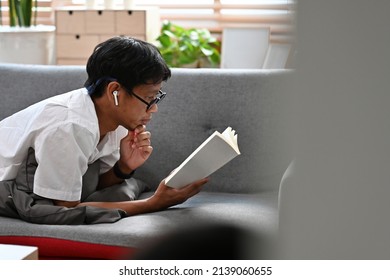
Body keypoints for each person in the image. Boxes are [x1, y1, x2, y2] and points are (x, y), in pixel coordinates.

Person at [0, 36, 208, 224]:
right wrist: (154, 203)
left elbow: (96, 184)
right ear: (115, 91)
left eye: (157, 97)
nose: (154, 108)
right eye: (148, 98)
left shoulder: (114, 119)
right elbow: (65, 208)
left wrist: (124, 167)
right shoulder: (70, 127)